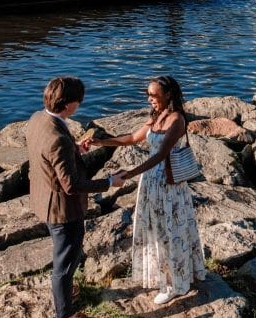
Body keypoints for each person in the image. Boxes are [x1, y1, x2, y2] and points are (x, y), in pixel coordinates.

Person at [85, 75, 206, 305]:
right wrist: (100, 143)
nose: (150, 99)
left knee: (170, 232)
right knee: (155, 232)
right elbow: (131, 139)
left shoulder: (177, 120)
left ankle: (175, 284)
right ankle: (166, 277)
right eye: (148, 95)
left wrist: (129, 174)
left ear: (168, 94)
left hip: (168, 185)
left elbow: (161, 155)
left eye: (154, 95)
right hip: (151, 183)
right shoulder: (156, 116)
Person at [27, 76, 124, 318]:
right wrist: (110, 182)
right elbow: (70, 185)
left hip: (43, 198)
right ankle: (65, 315)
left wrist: (75, 149)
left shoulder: (39, 119)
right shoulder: (57, 138)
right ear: (68, 104)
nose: (80, 105)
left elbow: (48, 155)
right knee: (65, 260)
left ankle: (66, 290)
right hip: (62, 209)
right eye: (78, 101)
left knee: (64, 255)